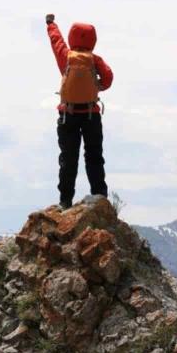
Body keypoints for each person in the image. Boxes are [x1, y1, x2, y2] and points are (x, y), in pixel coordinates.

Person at [46, 14, 114, 210]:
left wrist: (51, 24)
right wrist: (98, 86)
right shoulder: (94, 59)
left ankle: (65, 201)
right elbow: (109, 77)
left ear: (72, 37)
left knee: (68, 159)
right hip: (91, 115)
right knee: (94, 156)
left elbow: (55, 40)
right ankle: (99, 196)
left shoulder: (66, 57)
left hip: (68, 114)